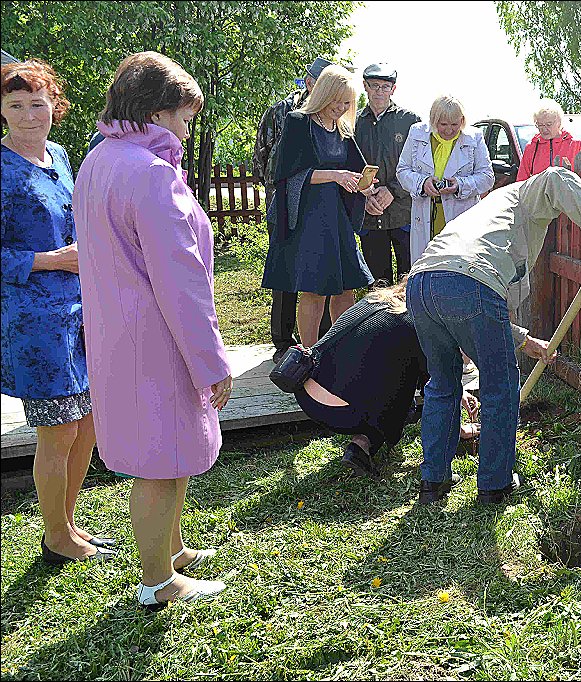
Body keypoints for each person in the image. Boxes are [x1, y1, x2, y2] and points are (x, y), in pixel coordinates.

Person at [74, 51, 234, 606]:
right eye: (185, 118)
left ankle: (173, 550)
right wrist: (212, 361)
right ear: (158, 112)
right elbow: (180, 279)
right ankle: (158, 582)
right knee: (162, 460)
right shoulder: (150, 174)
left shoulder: (98, 162)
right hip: (158, 334)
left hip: (117, 332)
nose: (187, 130)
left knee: (167, 450)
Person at [406, 167, 581, 506]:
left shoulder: (484, 219)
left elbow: (473, 306)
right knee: (501, 386)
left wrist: (525, 340)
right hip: (471, 282)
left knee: (442, 383)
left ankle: (432, 484)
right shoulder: (520, 195)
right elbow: (556, 177)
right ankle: (495, 485)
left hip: (422, 283)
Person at [1, 59, 115, 565]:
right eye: (16, 106)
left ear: (56, 108)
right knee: (59, 429)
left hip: (80, 309)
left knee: (89, 421)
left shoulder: (61, 157)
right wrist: (49, 260)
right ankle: (56, 537)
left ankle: (64, 522)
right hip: (33, 320)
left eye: (38, 104)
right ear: (2, 112)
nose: (29, 116)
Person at [293, 277, 491, 478]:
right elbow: (438, 386)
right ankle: (364, 442)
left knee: (388, 388)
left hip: (305, 390)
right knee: (405, 405)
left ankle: (359, 447)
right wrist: (458, 430)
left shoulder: (374, 300)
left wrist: (460, 392)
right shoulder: (417, 324)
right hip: (341, 411)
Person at [261, 65, 375, 347]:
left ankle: (341, 352)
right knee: (314, 291)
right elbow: (286, 175)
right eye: (338, 100)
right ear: (323, 94)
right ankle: (308, 355)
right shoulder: (299, 122)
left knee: (346, 291)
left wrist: (366, 185)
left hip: (338, 220)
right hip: (310, 220)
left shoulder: (343, 130)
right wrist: (335, 176)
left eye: (347, 102)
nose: (342, 107)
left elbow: (356, 170)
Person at [252, 57, 333, 364]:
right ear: (311, 82)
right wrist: (277, 194)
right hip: (284, 204)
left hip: (319, 208)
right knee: (286, 272)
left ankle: (320, 338)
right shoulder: (281, 112)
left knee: (318, 273)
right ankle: (283, 342)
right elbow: (261, 157)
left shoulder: (331, 117)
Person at [397, 95, 494, 263]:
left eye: (455, 124)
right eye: (443, 124)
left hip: (462, 217)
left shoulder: (475, 137)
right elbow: (402, 170)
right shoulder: (416, 133)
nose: (449, 130)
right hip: (425, 216)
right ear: (434, 120)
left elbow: (487, 177)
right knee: (425, 267)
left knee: (458, 268)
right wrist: (422, 183)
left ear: (462, 120)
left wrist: (460, 185)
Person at [354, 63, 421, 286]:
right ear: (365, 86)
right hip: (369, 214)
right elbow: (347, 166)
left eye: (385, 86)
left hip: (403, 213)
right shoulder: (353, 123)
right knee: (378, 285)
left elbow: (420, 165)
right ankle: (380, 322)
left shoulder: (410, 121)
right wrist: (362, 197)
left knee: (408, 280)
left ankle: (408, 322)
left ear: (393, 89)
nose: (380, 91)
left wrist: (393, 190)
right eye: (374, 86)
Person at [516, 99, 581, 181]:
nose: (544, 129)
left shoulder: (574, 144)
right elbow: (521, 180)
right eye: (540, 125)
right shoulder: (531, 147)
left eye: (548, 124)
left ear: (559, 122)